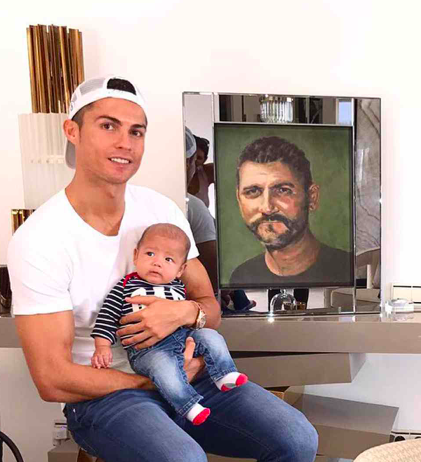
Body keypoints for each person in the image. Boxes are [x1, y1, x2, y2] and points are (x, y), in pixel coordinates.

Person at [8, 75, 318, 461]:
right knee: (183, 459)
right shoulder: (40, 238)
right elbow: (52, 379)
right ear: (72, 131)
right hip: (104, 396)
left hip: (187, 374)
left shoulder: (162, 211)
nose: (125, 143)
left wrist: (186, 312)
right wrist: (154, 382)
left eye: (136, 132)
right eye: (108, 126)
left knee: (297, 437)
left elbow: (211, 308)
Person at [91, 223, 248, 426]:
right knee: (164, 369)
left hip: (182, 339)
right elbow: (106, 317)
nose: (157, 263)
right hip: (147, 351)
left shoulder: (179, 288)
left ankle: (224, 373)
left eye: (168, 259)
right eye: (150, 254)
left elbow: (203, 315)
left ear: (180, 270)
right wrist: (102, 347)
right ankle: (188, 405)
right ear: (136, 256)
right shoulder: (125, 286)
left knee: (211, 336)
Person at [230, 135, 353, 287]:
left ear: (312, 197)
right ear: (239, 199)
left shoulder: (349, 270)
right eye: (253, 191)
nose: (267, 208)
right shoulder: (241, 277)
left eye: (282, 190)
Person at [185, 128, 255, 312]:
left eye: (201, 158)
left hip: (205, 224)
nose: (198, 162)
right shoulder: (191, 206)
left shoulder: (205, 173)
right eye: (195, 158)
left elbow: (234, 171)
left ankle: (237, 301)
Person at [187, 135, 214, 207]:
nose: (194, 160)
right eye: (192, 156)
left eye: (199, 158)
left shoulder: (207, 172)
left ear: (205, 160)